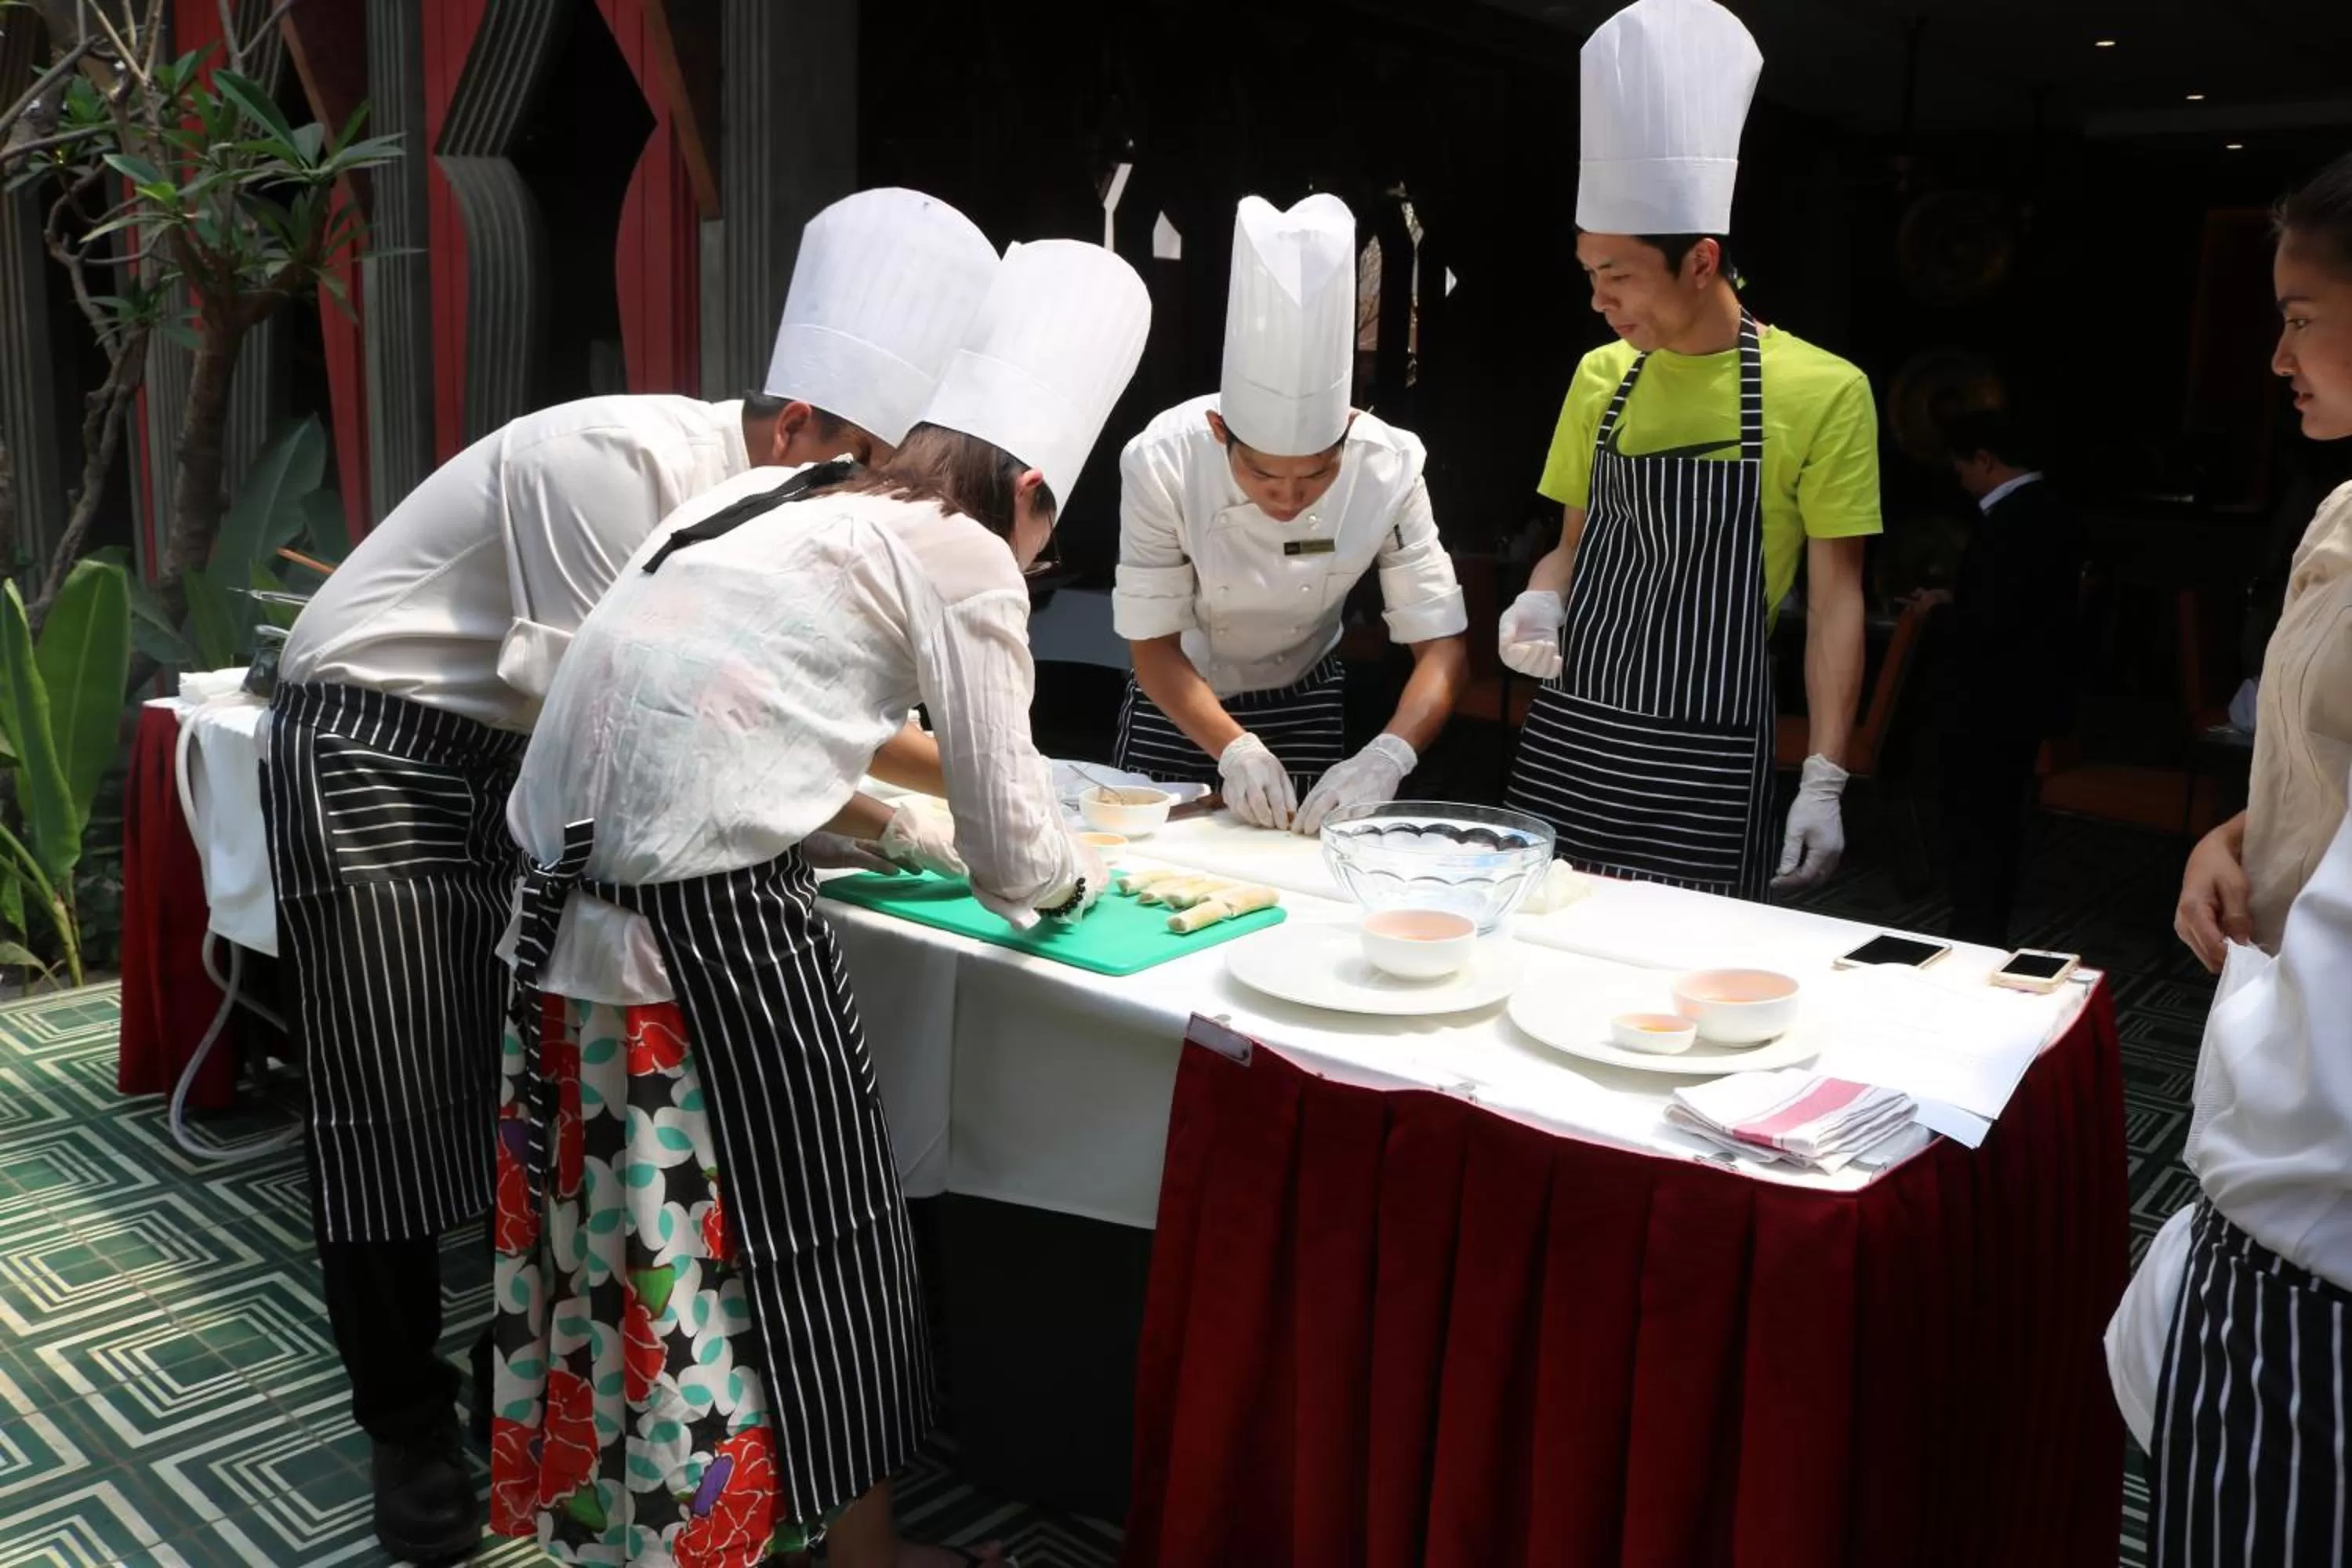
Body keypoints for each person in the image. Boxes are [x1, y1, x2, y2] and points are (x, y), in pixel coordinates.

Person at [261, 187, 998, 1562]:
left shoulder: (759, 511)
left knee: (519, 1104)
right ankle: (406, 1431)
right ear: (797, 434)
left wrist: (898, 792)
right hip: (382, 740)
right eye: (861, 481)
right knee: (388, 1097)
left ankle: (528, 1399)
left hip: (524, 781)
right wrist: (879, 813)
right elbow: (621, 723)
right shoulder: (619, 463)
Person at [487, 239, 1150, 1566]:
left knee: (618, 1259)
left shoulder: (769, 495)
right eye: (1047, 538)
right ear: (1029, 489)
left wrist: (883, 823)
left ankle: (715, 1539)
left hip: (560, 920)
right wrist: (1076, 875)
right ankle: (800, 1551)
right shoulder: (964, 550)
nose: (1031, 564)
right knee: (797, 1262)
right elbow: (1021, 852)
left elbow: (712, 716)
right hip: (710, 949)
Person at [1498, 0, 1880, 900]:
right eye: (1590, 273)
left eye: (1619, 274)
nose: (1600, 300)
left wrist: (1826, 774)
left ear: (1701, 262)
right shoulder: (1601, 375)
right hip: (1573, 731)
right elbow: (1572, 544)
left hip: (1707, 757)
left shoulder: (1826, 391)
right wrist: (1539, 599)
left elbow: (1836, 603)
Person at [1111, 193, 1469, 833]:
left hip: (1306, 698)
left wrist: (1389, 755)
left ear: (1349, 432)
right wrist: (1236, 748)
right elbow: (1152, 642)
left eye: (1316, 473)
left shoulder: (1389, 467)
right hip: (1181, 700)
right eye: (1262, 473)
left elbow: (1441, 644)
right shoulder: (1162, 460)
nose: (1287, 496)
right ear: (1221, 431)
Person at [2175, 150, 2352, 973]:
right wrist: (2236, 834)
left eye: (2302, 317)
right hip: (2279, 983)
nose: (2281, 358)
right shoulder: (2339, 513)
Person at [1923, 405, 2084, 948]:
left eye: (1962, 465)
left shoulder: (2014, 518)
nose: (1960, 477)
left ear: (1985, 460)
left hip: (1990, 699)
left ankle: (1974, 931)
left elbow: (1994, 619)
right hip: (2022, 695)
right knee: (1995, 819)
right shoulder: (2052, 509)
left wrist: (1942, 611)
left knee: (1978, 820)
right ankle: (1978, 924)